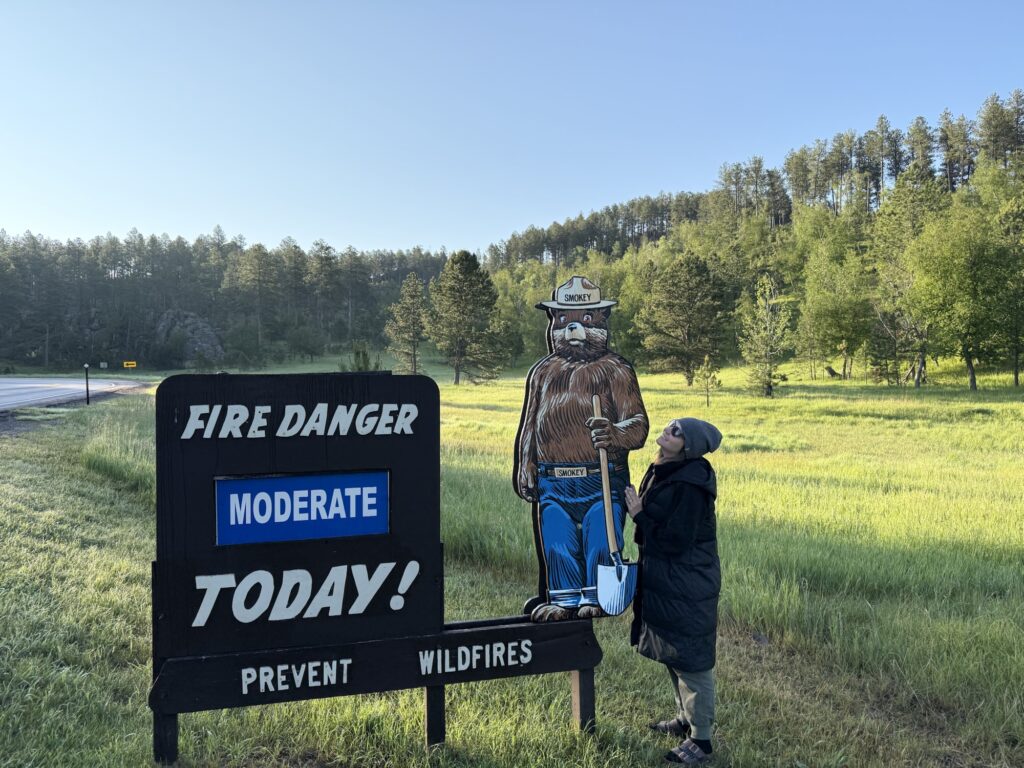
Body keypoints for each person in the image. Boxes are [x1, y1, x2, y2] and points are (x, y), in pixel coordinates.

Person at [624, 417, 722, 765]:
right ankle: (684, 719)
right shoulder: (663, 470)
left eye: (677, 431)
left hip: (687, 583)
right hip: (667, 579)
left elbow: (677, 540)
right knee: (672, 653)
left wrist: (639, 515)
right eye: (669, 426)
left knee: (691, 662)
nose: (668, 431)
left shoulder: (691, 484)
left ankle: (701, 740)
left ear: (689, 446)